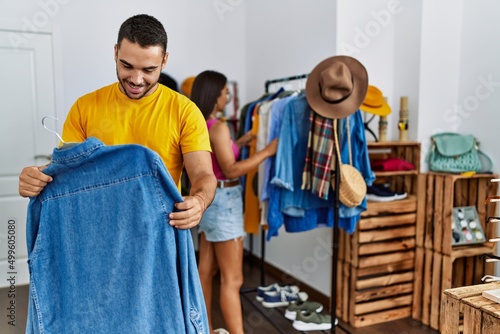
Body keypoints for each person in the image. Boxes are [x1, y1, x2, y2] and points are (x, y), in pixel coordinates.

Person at [18, 14, 216, 230]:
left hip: (158, 231)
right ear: (115, 52)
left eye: (148, 70)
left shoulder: (185, 112)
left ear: (164, 61)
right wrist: (37, 177)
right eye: (127, 66)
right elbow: (67, 171)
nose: (136, 79)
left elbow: (203, 175)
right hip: (97, 230)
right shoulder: (85, 107)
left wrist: (200, 201)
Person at [190, 70, 278, 334]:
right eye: (225, 92)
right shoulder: (219, 128)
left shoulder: (199, 124)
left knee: (205, 271)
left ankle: (205, 329)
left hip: (207, 199)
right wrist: (267, 152)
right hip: (225, 200)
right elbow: (230, 170)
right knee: (233, 279)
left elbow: (216, 159)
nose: (228, 96)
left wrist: (240, 141)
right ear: (215, 95)